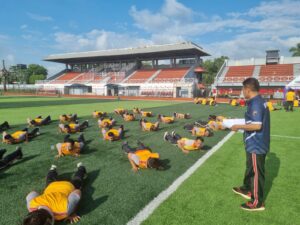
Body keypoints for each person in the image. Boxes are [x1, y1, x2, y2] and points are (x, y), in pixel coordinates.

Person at [231, 77, 270, 211]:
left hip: (256, 144)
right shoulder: (257, 101)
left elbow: (257, 125)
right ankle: (247, 189)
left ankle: (257, 202)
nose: (242, 92)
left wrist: (237, 126)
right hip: (254, 142)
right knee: (250, 167)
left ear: (247, 89)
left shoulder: (256, 103)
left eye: (243, 89)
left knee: (256, 172)